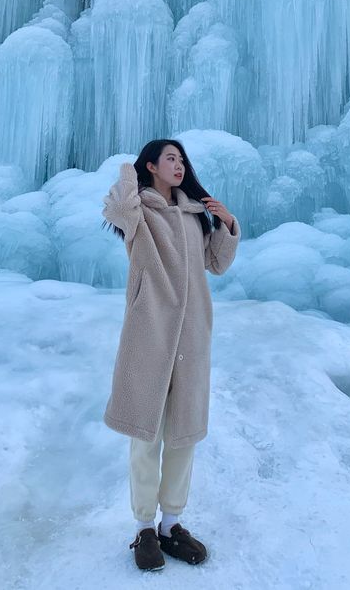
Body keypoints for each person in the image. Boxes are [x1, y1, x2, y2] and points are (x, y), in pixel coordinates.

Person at [101, 139, 241, 571]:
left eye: (182, 159)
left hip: (192, 335)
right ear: (151, 166)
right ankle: (144, 528)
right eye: (170, 159)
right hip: (151, 330)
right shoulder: (140, 212)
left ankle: (172, 525)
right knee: (146, 434)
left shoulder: (194, 215)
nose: (179, 165)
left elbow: (216, 265)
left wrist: (227, 223)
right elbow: (117, 210)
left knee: (183, 434)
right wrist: (130, 170)